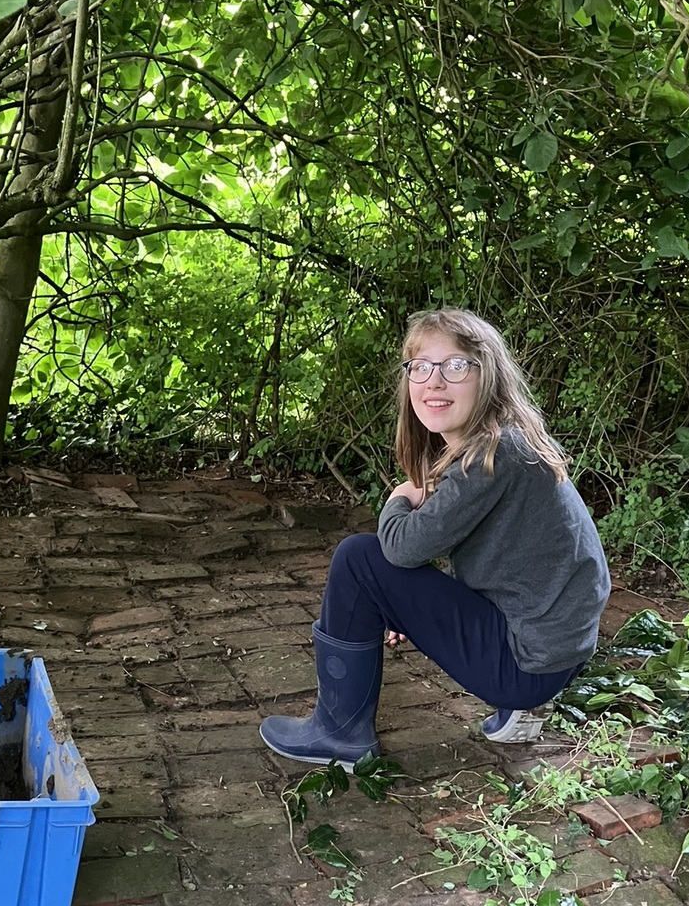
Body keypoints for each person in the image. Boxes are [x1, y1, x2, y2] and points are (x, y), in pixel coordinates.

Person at [260, 308, 611, 768]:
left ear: (488, 375)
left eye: (456, 366)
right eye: (421, 367)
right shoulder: (508, 439)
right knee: (382, 578)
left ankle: (339, 733)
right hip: (556, 649)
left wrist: (400, 495)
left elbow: (401, 547)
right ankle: (519, 706)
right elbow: (490, 558)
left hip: (527, 664)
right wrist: (405, 604)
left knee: (359, 559)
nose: (435, 382)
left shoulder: (489, 456)